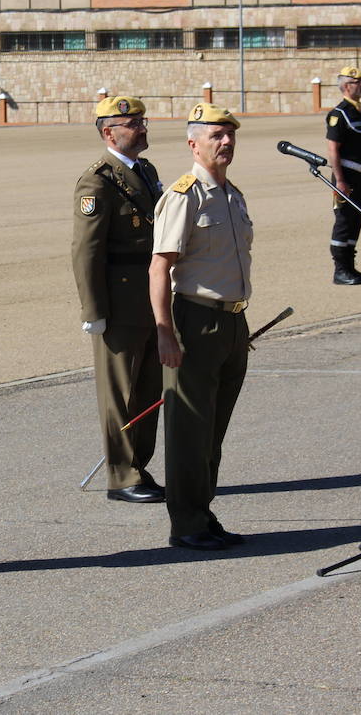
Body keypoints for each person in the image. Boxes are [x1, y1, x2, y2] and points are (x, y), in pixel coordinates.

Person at [150, 104, 253, 551]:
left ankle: (204, 512)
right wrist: (164, 331)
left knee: (214, 429)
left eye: (230, 135)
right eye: (216, 135)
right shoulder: (183, 195)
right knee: (189, 430)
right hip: (195, 320)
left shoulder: (232, 195)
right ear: (193, 143)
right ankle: (186, 523)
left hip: (232, 321)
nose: (226, 142)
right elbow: (159, 268)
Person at [71, 95, 165, 503]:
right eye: (133, 123)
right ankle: (121, 474)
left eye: (143, 121)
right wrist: (94, 310)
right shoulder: (98, 180)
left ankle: (139, 466)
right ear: (110, 132)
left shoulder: (145, 170)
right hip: (120, 301)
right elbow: (86, 250)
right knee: (121, 392)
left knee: (147, 388)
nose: (142, 128)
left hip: (151, 295)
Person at [325, 67, 361, 285]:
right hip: (346, 177)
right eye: (358, 82)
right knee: (344, 222)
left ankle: (350, 267)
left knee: (356, 222)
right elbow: (333, 150)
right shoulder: (339, 114)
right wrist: (340, 181)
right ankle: (340, 269)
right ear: (347, 86)